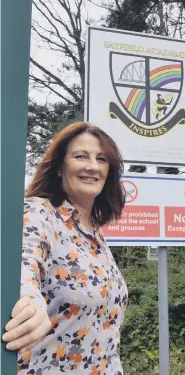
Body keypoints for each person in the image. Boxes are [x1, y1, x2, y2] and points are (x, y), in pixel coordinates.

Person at [2, 122, 128, 375]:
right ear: (60, 167)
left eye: (101, 159)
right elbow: (21, 262)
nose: (92, 166)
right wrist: (29, 301)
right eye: (81, 156)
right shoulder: (38, 213)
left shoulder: (95, 234)